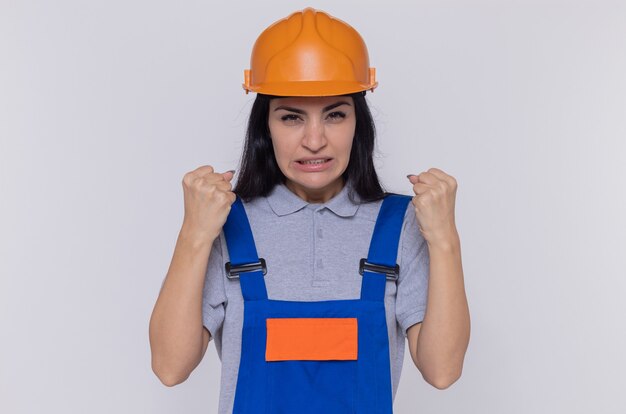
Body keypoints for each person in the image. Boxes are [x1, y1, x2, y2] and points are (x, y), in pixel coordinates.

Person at [149, 7, 470, 413]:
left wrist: (445, 242)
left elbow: (442, 371)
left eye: (335, 114)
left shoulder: (400, 225)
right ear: (266, 126)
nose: (315, 140)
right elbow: (169, 367)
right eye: (292, 117)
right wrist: (193, 235)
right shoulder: (227, 224)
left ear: (359, 122)